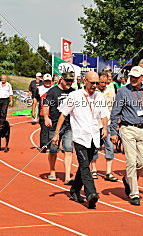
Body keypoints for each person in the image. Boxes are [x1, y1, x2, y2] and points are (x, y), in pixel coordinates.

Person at [53, 72, 109, 209]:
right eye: (92, 83)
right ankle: (91, 194)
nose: (95, 86)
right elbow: (63, 115)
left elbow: (104, 114)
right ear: (85, 81)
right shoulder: (74, 96)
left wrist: (105, 128)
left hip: (94, 137)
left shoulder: (99, 97)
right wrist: (56, 134)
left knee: (84, 164)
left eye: (97, 83)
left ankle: (74, 190)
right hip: (79, 137)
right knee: (85, 165)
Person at [110, 66, 143, 206]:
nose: (133, 79)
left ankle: (128, 180)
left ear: (142, 78)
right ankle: (134, 193)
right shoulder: (123, 91)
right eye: (131, 76)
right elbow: (115, 112)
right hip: (127, 129)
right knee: (131, 162)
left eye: (136, 77)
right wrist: (113, 132)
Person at [43, 72, 75, 184]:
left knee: (68, 149)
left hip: (69, 125)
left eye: (71, 81)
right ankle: (52, 171)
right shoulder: (52, 91)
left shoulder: (73, 92)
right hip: (55, 124)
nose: (69, 83)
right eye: (67, 81)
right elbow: (46, 105)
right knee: (53, 150)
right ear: (61, 79)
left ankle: (67, 176)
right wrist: (46, 117)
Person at [90, 71, 118, 182]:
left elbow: (115, 107)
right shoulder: (91, 92)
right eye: (101, 82)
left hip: (108, 123)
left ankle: (108, 172)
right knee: (94, 147)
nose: (103, 84)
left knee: (110, 146)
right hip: (95, 124)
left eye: (105, 82)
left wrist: (116, 122)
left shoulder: (111, 91)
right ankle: (93, 170)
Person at [32, 73, 53, 152]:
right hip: (42, 113)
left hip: (53, 113)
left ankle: (51, 146)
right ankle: (43, 146)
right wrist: (33, 110)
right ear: (43, 81)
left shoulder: (55, 88)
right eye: (46, 81)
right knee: (44, 129)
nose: (48, 82)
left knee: (51, 131)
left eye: (49, 81)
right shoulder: (39, 88)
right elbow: (35, 100)